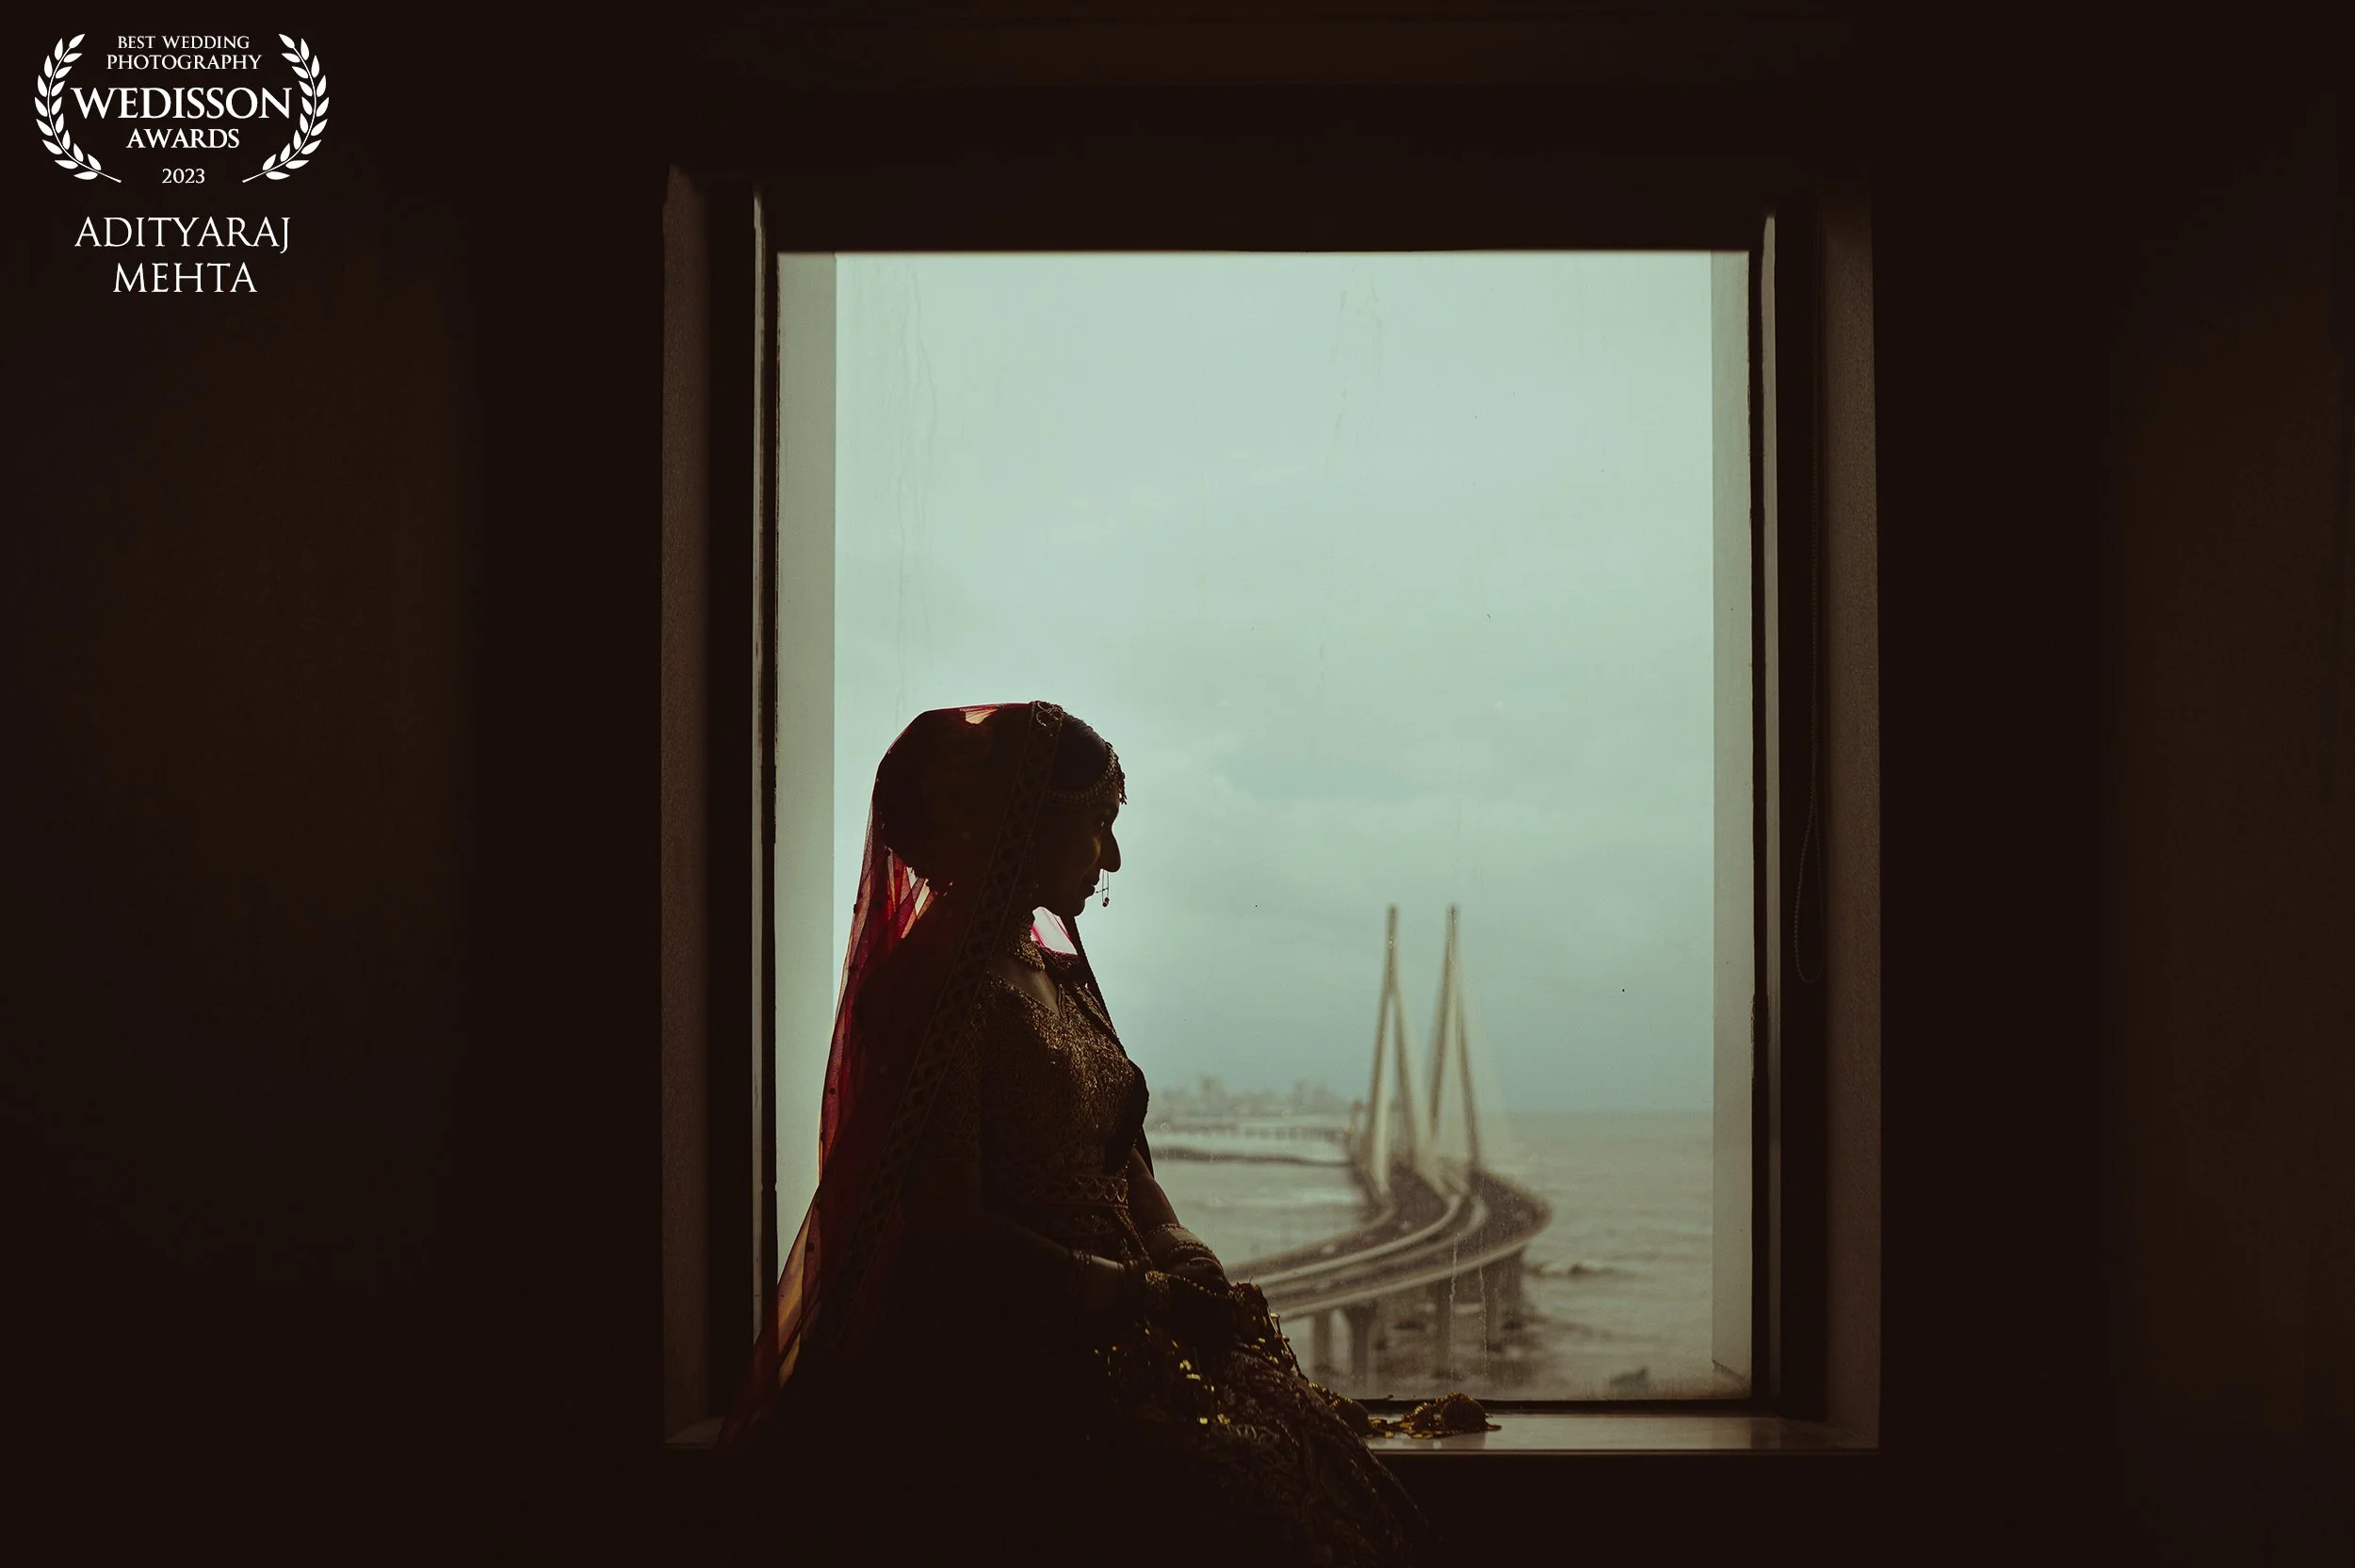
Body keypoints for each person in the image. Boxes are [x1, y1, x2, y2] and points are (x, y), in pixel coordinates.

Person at [710, 701, 1437, 1567]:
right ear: (1030, 821)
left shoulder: (1050, 970)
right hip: (1023, 1351)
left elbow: (1117, 1152)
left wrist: (1176, 1243)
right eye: (1099, 826)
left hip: (1125, 1315)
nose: (1114, 857)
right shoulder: (935, 991)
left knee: (1325, 1463)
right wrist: (1140, 1293)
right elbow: (949, 1231)